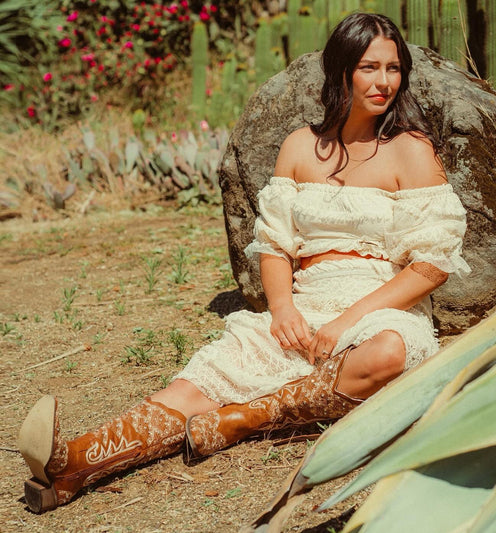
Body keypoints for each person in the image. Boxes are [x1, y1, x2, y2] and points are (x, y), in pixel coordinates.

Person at [18, 12, 470, 513]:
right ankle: (75, 465)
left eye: (393, 68)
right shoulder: (301, 146)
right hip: (306, 303)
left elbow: (433, 264)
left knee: (388, 353)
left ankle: (247, 418)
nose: (384, 81)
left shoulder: (410, 150)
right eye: (369, 67)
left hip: (379, 306)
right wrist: (281, 310)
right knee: (204, 382)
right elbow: (275, 244)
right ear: (342, 71)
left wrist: (350, 319)